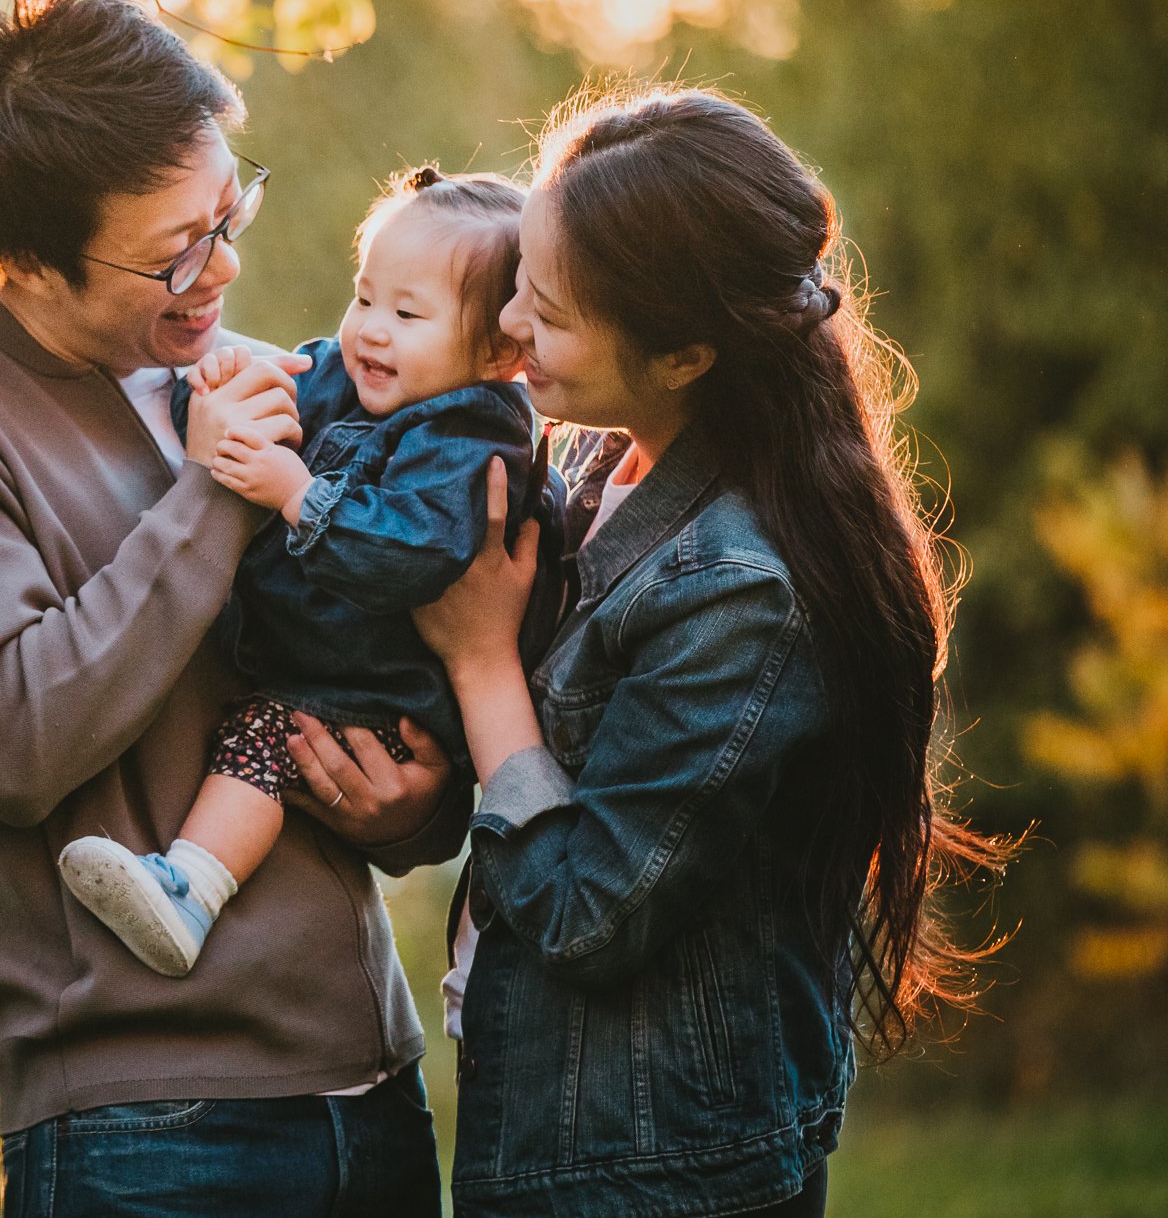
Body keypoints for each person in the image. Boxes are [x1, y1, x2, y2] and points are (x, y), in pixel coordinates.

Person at [0, 0, 465, 1217]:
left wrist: (412, 805)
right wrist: (220, 493)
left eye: (228, 213)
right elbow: (12, 739)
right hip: (151, 1126)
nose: (222, 266)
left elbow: (366, 652)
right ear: (24, 256)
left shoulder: (231, 382)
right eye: (175, 248)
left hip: (369, 1085)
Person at [413, 90, 998, 1218]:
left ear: (682, 353)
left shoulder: (740, 589)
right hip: (560, 1130)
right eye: (518, 277)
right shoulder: (588, 469)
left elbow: (589, 907)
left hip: (656, 1175)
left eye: (552, 311)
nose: (510, 323)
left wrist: (481, 660)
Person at [57, 165, 564, 978]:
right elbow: (258, 414)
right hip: (324, 656)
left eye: (407, 313)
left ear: (500, 348)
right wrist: (215, 392)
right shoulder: (350, 374)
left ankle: (191, 885)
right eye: (365, 297)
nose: (370, 330)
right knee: (263, 728)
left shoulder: (471, 436)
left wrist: (298, 494)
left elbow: (408, 553)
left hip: (385, 693)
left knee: (263, 738)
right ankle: (188, 876)